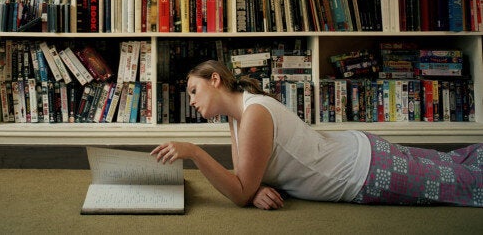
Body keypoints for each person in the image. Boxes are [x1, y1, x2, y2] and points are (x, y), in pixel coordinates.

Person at [151, 60, 483, 209]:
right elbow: (244, 182)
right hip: (361, 151)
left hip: (364, 171)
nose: (191, 101)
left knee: (466, 185)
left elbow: (238, 192)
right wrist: (252, 191)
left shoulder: (254, 115)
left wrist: (194, 151)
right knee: (458, 161)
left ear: (214, 81)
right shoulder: (238, 117)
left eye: (193, 91)